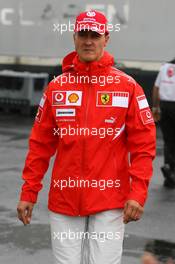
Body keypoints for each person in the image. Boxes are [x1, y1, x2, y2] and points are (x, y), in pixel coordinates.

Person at [17, 10, 156, 264]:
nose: (89, 41)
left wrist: (137, 194)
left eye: (95, 35)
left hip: (110, 201)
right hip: (64, 200)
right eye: (83, 34)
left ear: (106, 38)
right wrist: (29, 192)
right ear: (74, 38)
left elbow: (143, 147)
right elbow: (40, 145)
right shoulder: (57, 88)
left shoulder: (128, 87)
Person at [152, 58, 175, 188]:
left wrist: (155, 107)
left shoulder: (165, 67)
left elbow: (156, 88)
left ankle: (168, 167)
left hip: (165, 106)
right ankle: (172, 170)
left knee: (168, 139)